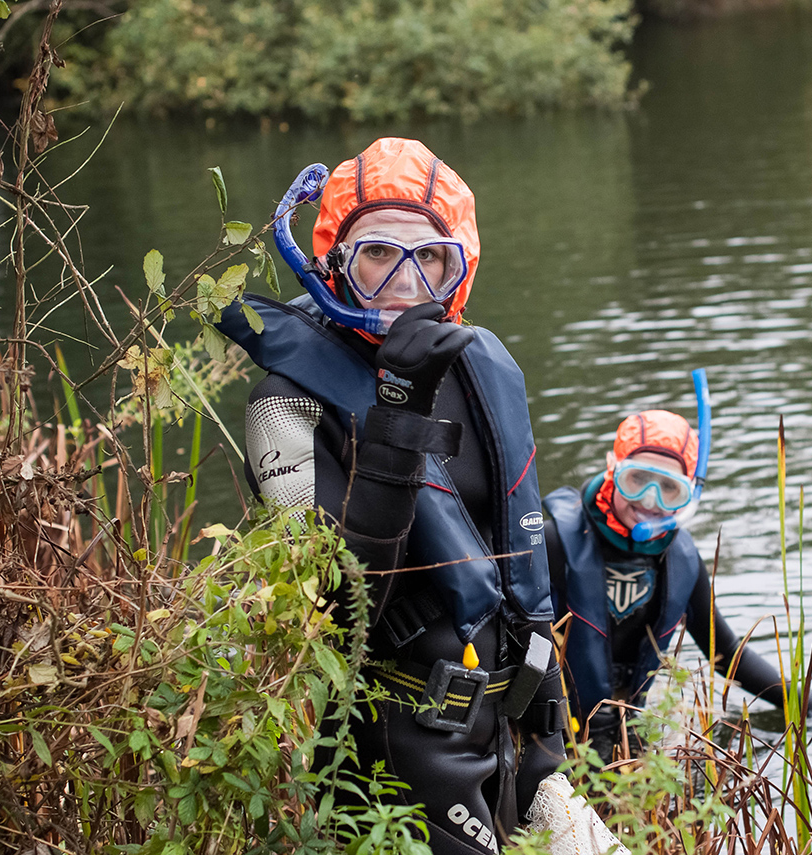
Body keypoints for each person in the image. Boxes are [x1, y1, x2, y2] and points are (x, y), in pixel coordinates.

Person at [217, 138, 572, 854]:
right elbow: (333, 610)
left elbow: (516, 549)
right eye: (378, 253)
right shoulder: (279, 408)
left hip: (499, 729)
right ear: (334, 262)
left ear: (458, 266)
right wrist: (398, 417)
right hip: (385, 744)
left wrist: (547, 720)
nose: (405, 282)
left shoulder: (481, 368)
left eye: (429, 256)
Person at [542, 399, 812, 762]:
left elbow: (725, 652)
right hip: (547, 735)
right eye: (636, 480)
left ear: (689, 493)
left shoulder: (681, 561)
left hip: (624, 734)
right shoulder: (554, 543)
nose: (649, 500)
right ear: (612, 469)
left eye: (669, 488)